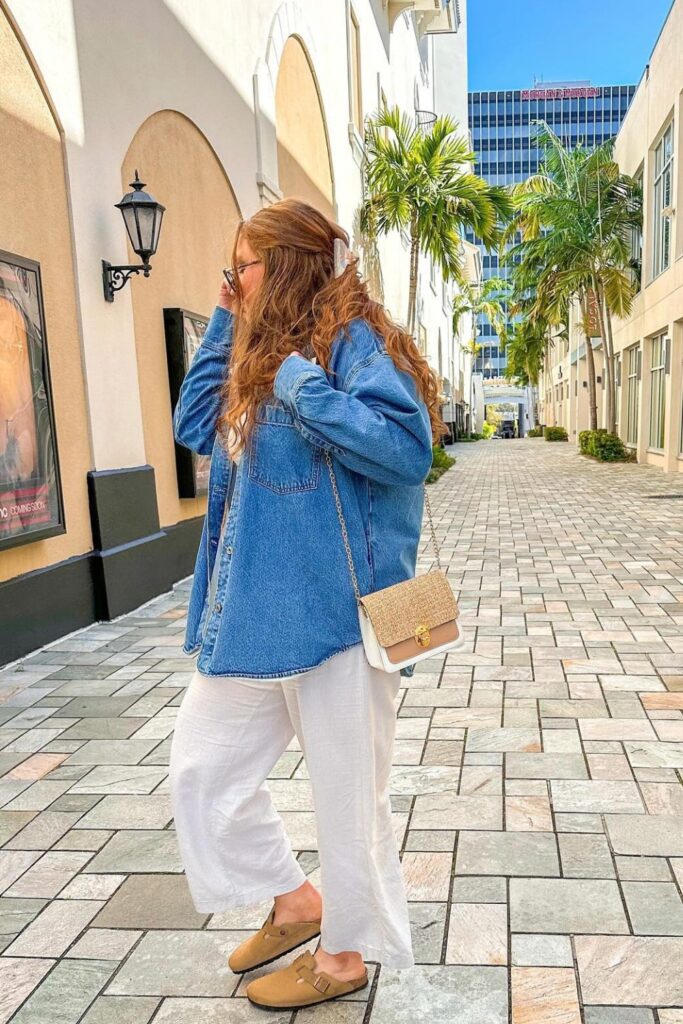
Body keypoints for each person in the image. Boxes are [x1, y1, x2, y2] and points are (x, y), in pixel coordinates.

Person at [169, 198, 448, 1012]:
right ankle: (296, 901)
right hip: (251, 615)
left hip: (337, 619)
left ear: (283, 265)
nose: (231, 282)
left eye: (241, 268)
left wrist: (296, 378)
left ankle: (343, 957)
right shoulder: (255, 350)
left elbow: (404, 449)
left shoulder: (346, 341)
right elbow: (193, 424)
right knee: (200, 770)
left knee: (348, 802)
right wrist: (228, 325)